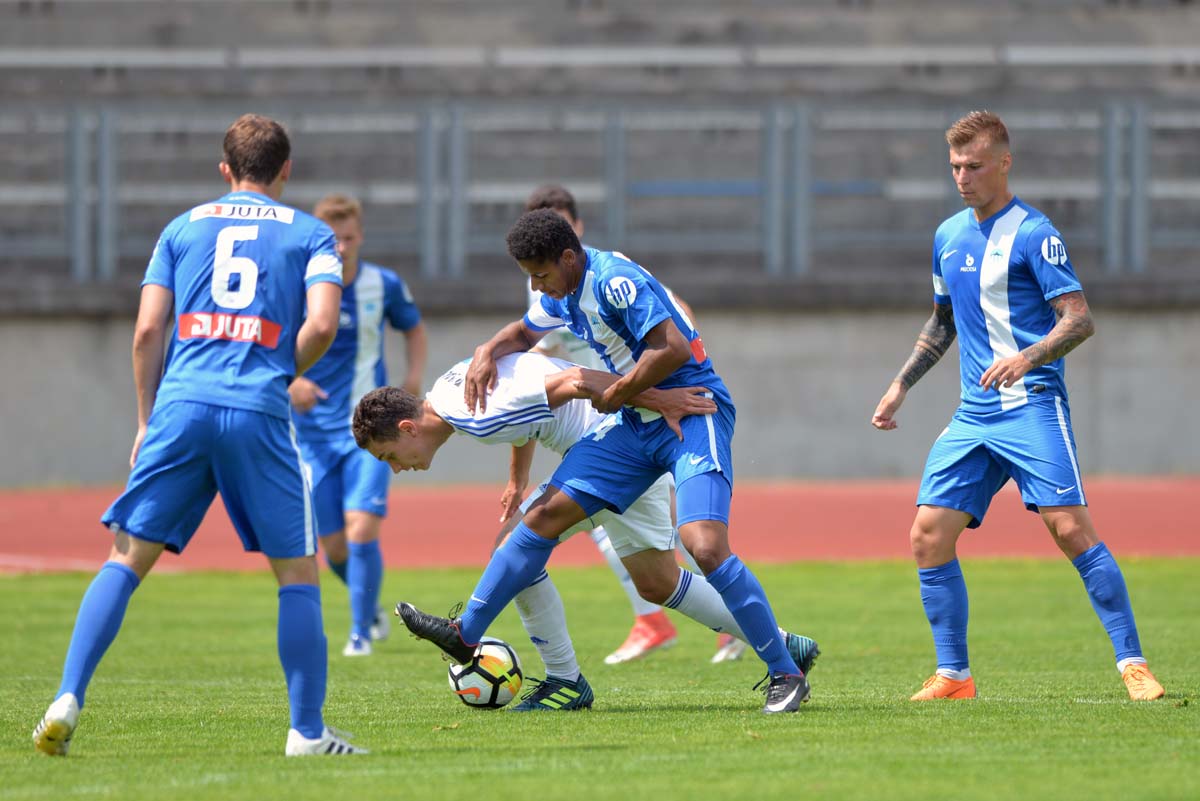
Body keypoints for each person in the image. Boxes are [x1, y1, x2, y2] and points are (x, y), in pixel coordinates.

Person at [31, 114, 366, 757]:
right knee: (297, 572)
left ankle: (67, 696)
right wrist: (277, 370)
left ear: (225, 169)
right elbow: (323, 325)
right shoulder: (312, 234)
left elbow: (146, 332)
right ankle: (305, 731)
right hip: (258, 409)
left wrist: (145, 418)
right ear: (286, 170)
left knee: (126, 559)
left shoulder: (181, 228)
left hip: (181, 405)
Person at [394, 209, 813, 714]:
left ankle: (785, 672)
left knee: (703, 543)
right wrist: (488, 348)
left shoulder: (613, 281)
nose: (536, 286)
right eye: (530, 277)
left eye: (541, 274)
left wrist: (620, 391)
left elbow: (674, 348)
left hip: (692, 410)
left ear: (568, 258)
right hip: (635, 423)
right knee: (538, 520)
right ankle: (465, 635)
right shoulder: (563, 293)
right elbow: (523, 333)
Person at [871, 110, 1165, 702]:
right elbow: (943, 321)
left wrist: (1027, 358)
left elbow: (1078, 319)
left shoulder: (1035, 233)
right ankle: (954, 676)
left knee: (1070, 529)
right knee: (928, 535)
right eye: (955, 167)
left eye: (974, 166)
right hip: (974, 414)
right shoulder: (948, 235)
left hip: (1032, 404)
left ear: (1004, 163)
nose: (963, 177)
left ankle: (1133, 664)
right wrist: (902, 384)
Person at [352, 354, 819, 710]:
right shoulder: (449, 390)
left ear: (408, 428)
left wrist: (658, 399)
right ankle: (782, 643)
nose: (395, 468)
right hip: (607, 442)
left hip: (612, 450)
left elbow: (578, 381)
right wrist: (518, 478)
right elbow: (522, 412)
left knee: (515, 549)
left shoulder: (471, 415)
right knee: (656, 581)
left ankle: (562, 679)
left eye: (388, 456)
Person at [522, 183, 681, 666]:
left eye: (559, 221)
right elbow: (534, 348)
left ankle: (703, 618)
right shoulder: (545, 283)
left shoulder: (609, 274)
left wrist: (653, 385)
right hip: (605, 407)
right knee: (618, 522)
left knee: (677, 527)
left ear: (575, 230)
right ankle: (662, 620)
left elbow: (675, 320)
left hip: (629, 406)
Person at [289, 192, 428, 657]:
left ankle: (358, 634)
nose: (342, 247)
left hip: (369, 434)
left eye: (348, 238)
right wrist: (293, 382)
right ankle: (367, 608)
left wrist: (413, 378)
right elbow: (273, 342)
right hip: (313, 434)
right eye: (333, 239)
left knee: (361, 529)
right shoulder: (298, 286)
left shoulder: (382, 284)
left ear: (361, 236)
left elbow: (414, 328)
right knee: (333, 546)